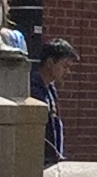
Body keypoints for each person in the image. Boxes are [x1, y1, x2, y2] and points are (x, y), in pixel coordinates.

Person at [31, 37, 78, 167]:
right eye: (64, 66)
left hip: (52, 162)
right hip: (38, 162)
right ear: (50, 63)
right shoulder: (32, 89)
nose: (68, 72)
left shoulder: (50, 88)